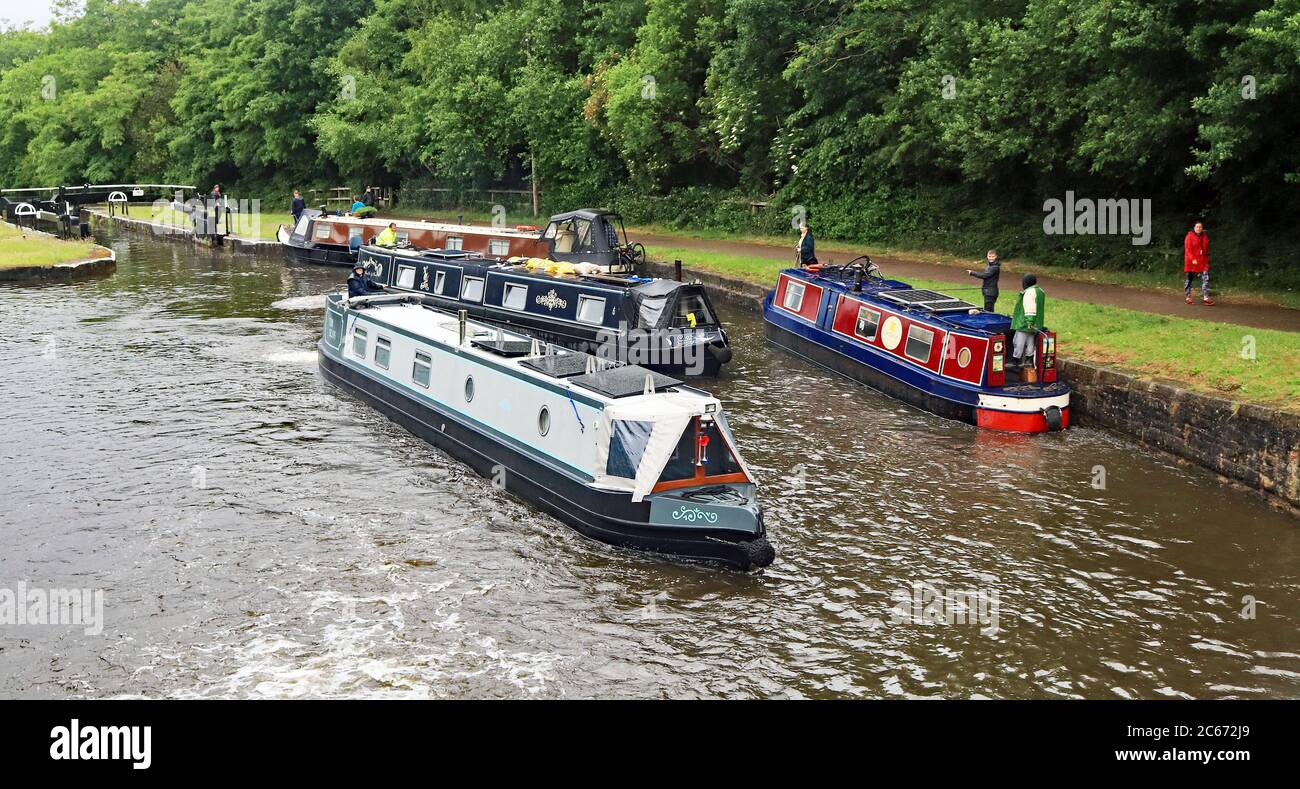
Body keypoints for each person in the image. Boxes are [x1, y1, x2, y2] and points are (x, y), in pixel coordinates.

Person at [1010, 273, 1045, 383]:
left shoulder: (1029, 292)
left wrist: (1029, 321)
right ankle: (1029, 360)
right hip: (1036, 323)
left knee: (1018, 341)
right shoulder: (1041, 291)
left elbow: (1030, 307)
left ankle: (1016, 361)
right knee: (1030, 342)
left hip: (1025, 323)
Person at [1183, 221, 1213, 306]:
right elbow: (1188, 249)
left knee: (1205, 278)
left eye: (1200, 227)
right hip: (1191, 261)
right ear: (1194, 228)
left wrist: (1206, 258)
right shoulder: (1189, 236)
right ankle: (1188, 297)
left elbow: (1206, 248)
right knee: (1189, 279)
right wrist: (1192, 259)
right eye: (1197, 227)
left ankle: (1206, 297)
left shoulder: (1204, 236)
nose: (1199, 228)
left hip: (1202, 261)